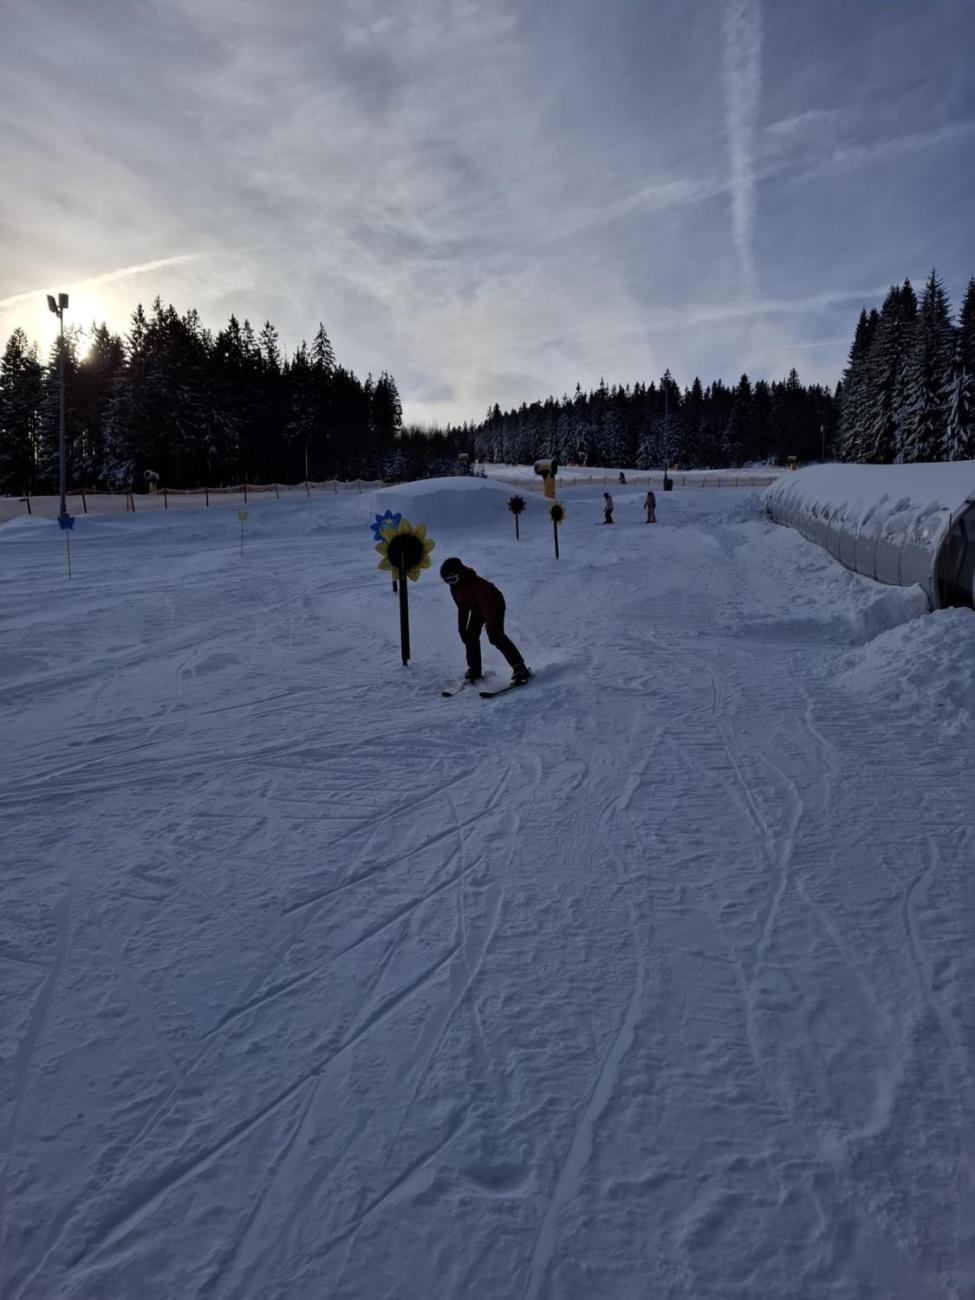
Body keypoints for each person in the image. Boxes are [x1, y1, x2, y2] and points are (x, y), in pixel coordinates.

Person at [439, 557, 531, 685]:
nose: (451, 583)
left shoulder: (477, 584)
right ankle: (475, 668)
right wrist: (462, 630)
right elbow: (462, 609)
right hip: (478, 608)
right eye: (447, 581)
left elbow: (487, 607)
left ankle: (520, 668)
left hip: (494, 604)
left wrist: (491, 625)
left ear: (460, 574)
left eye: (453, 579)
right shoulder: (455, 588)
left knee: (495, 636)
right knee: (469, 636)